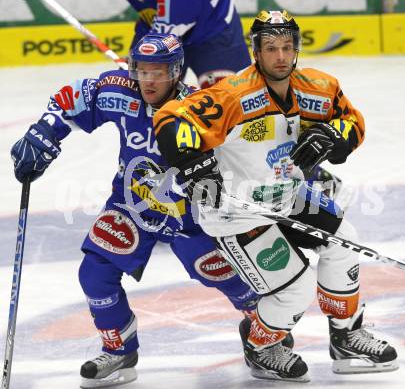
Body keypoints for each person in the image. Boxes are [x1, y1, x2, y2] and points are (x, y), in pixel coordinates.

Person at [154, 10, 399, 382]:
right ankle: (261, 346)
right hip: (237, 210)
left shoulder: (319, 87)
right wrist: (192, 162)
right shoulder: (234, 93)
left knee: (345, 240)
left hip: (289, 196)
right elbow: (175, 119)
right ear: (255, 51)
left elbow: (351, 120)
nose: (281, 56)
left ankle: (346, 335)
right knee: (295, 290)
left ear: (297, 48)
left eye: (287, 47)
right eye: (271, 48)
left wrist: (335, 138)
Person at [10, 33, 263, 388]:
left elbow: (248, 149)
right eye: (142, 71)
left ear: (176, 72)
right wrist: (42, 135)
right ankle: (119, 350)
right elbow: (67, 101)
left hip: (190, 216)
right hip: (133, 203)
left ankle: (265, 329)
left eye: (158, 72)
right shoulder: (119, 91)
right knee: (95, 272)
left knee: (222, 274)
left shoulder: (202, 107)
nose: (148, 80)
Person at [126, 0, 251, 89]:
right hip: (164, 26)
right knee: (140, 97)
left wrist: (139, 58)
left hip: (214, 29)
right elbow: (152, 12)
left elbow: (168, 29)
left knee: (233, 97)